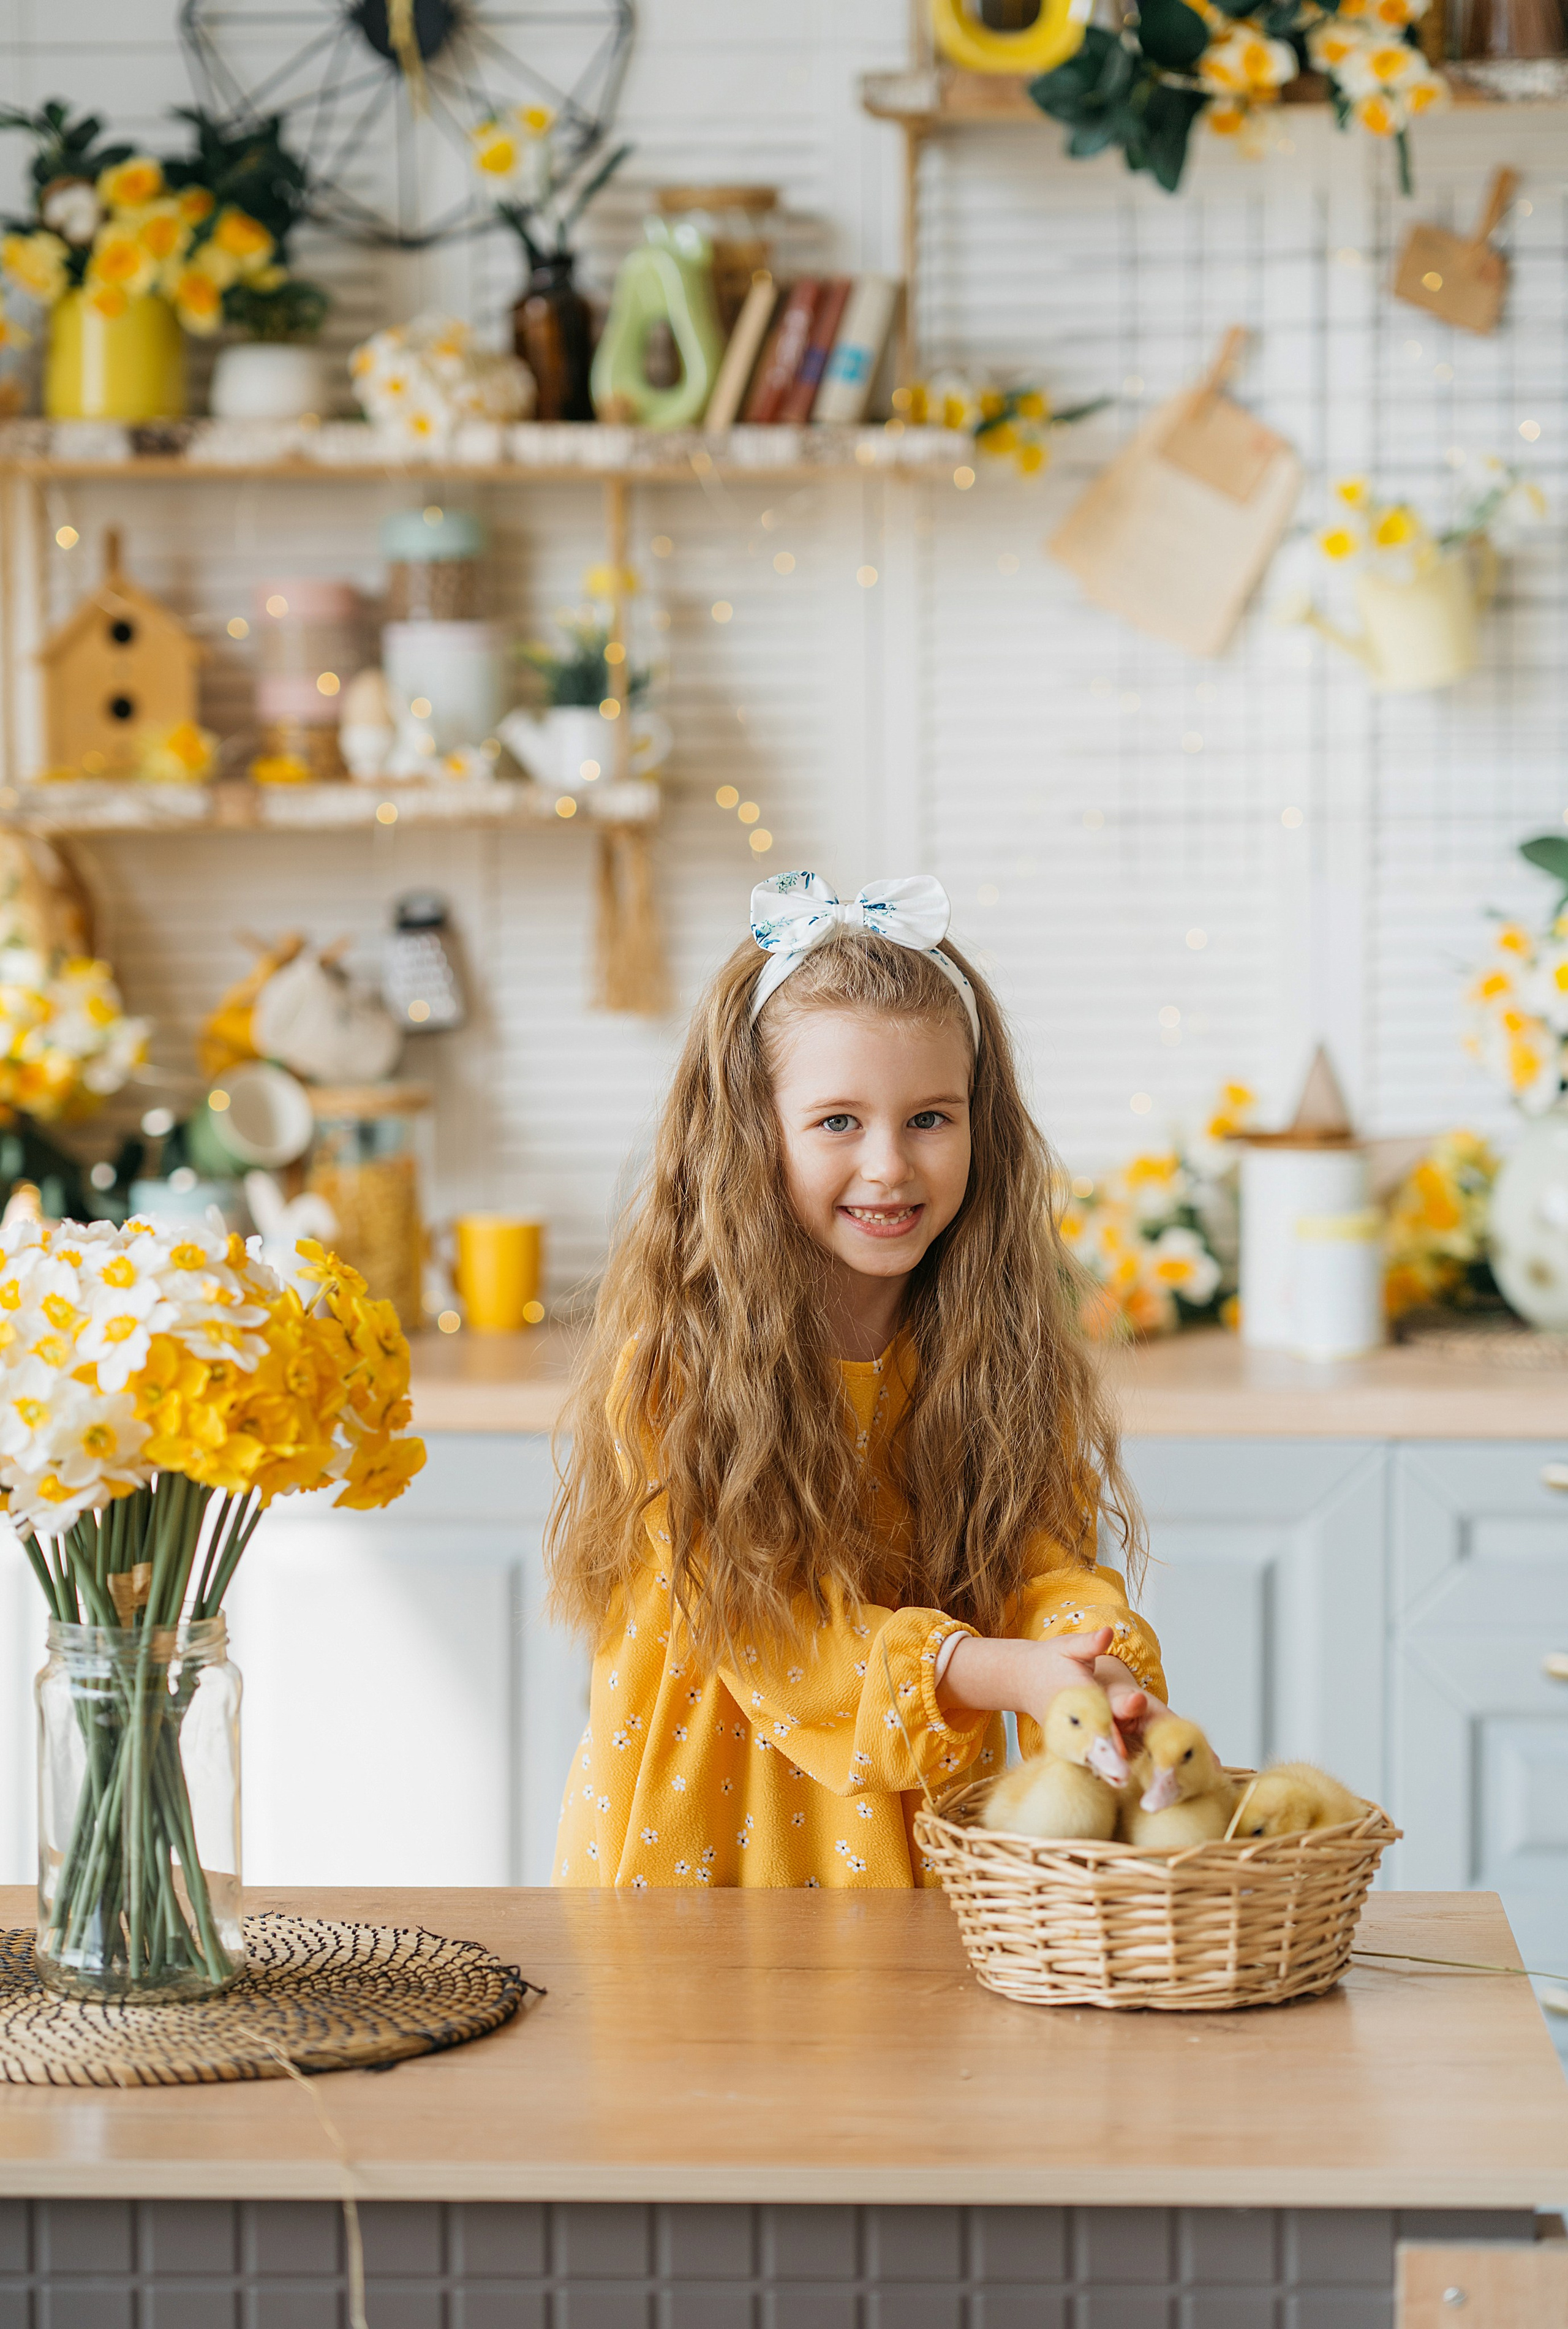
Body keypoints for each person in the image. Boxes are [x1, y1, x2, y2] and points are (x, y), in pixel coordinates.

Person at [549, 872, 1166, 1888]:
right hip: (698, 1861)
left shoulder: (996, 1357)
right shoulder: (679, 1372)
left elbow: (1043, 1562)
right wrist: (999, 1673)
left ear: (982, 1127)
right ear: (755, 1135)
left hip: (918, 1851)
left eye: (930, 1118)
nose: (890, 1165)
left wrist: (1090, 1659)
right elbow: (782, 1631)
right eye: (838, 1121)